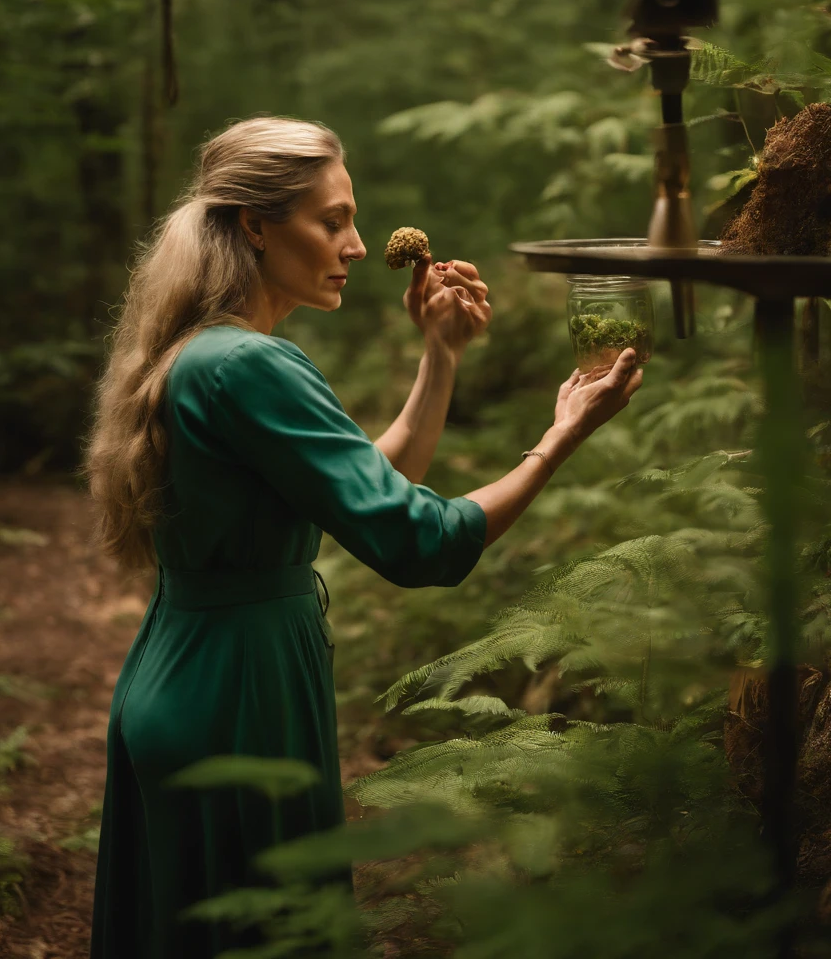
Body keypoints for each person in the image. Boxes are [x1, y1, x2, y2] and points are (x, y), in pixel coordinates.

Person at [84, 115, 642, 958]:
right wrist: (560, 436)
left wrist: (439, 354)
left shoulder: (211, 356)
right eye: (331, 220)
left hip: (192, 677)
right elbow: (419, 541)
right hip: (236, 696)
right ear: (256, 226)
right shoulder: (251, 365)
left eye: (353, 218)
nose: (355, 244)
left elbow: (364, 492)